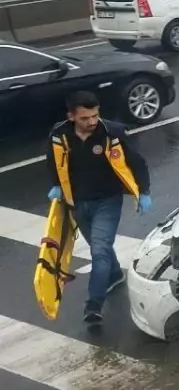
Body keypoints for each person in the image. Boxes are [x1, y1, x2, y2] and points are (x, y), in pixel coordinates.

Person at [46, 91, 151, 325]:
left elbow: (137, 161)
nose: (92, 122)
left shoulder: (112, 133)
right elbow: (53, 161)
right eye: (85, 118)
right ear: (71, 116)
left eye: (95, 115)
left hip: (108, 200)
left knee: (100, 250)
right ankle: (114, 274)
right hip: (77, 203)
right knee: (97, 245)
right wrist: (55, 185)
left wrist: (143, 191)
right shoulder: (59, 135)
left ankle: (93, 305)